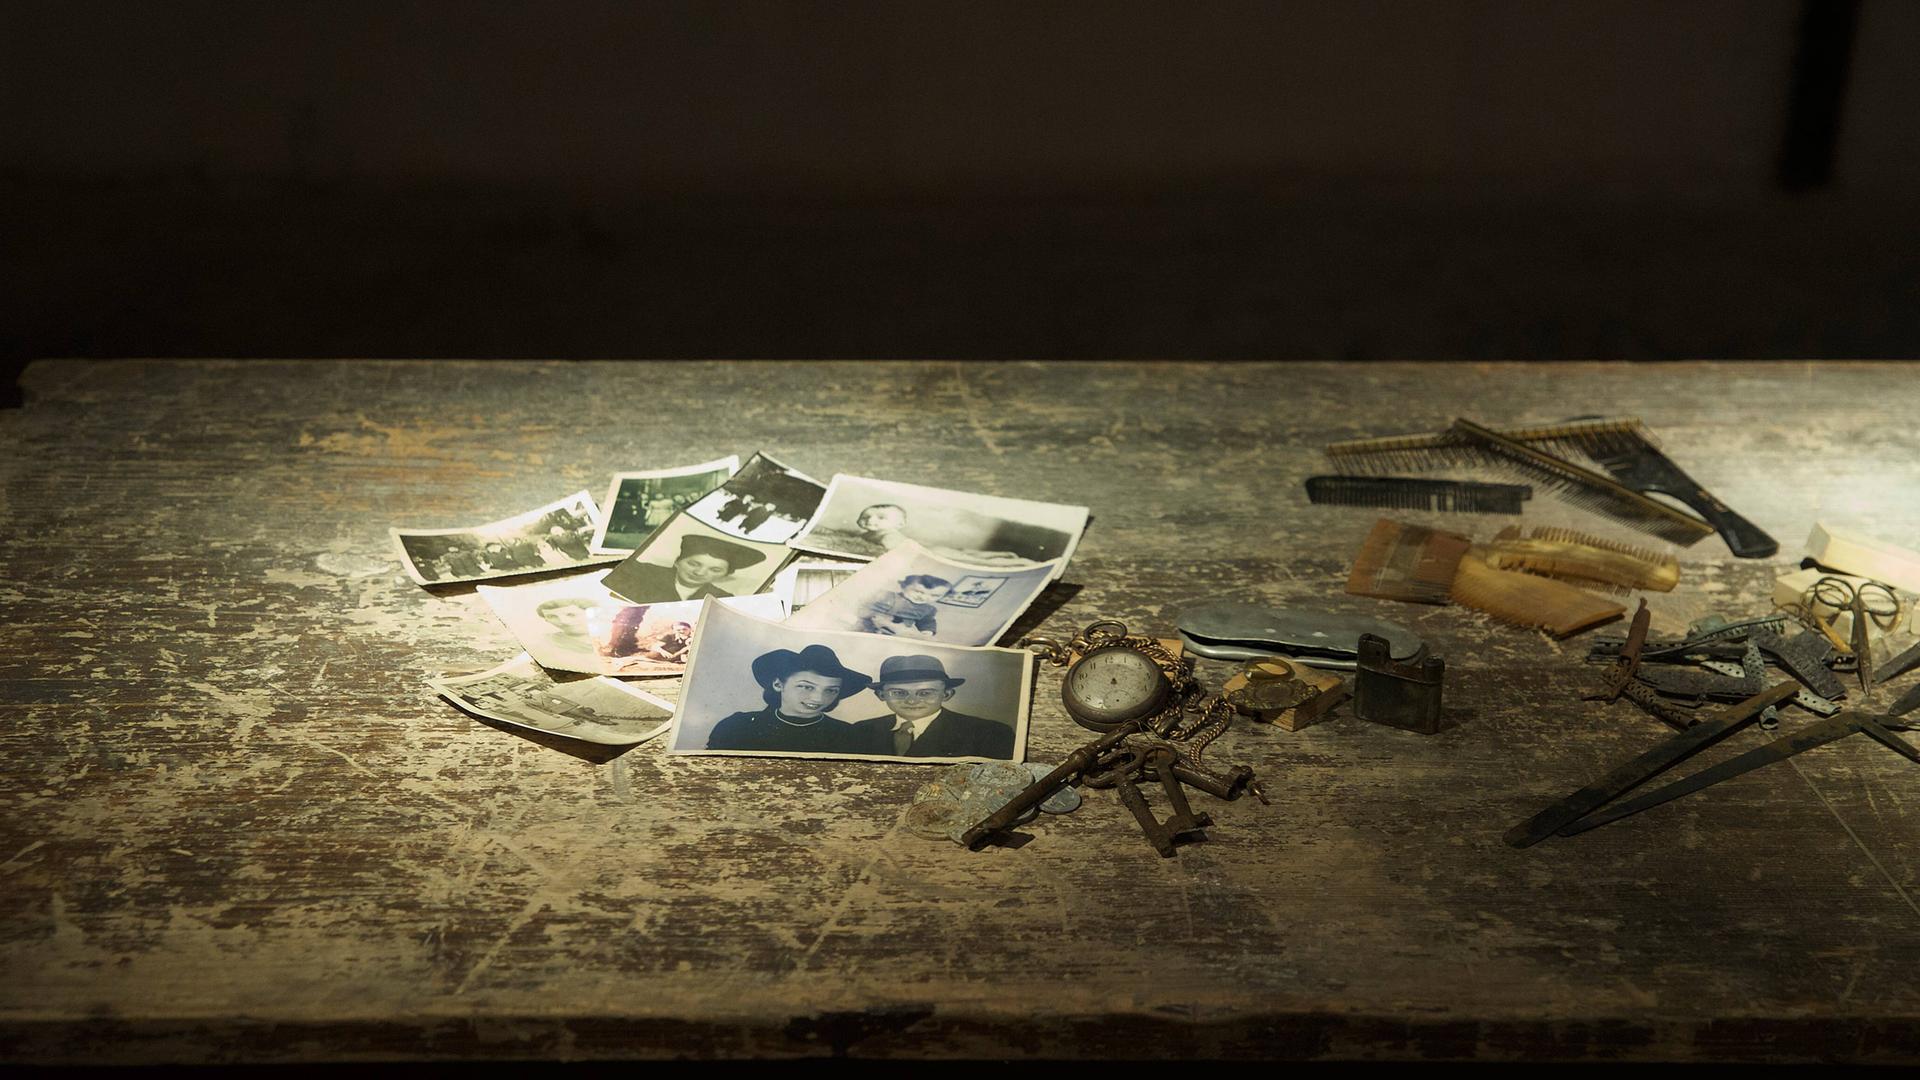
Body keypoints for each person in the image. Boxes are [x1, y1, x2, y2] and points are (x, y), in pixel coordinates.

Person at [704, 644, 874, 753]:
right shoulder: (737, 726)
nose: (818, 697)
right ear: (778, 684)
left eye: (831, 690)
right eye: (806, 686)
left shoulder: (849, 736)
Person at [853, 654, 1014, 759]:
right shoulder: (861, 730)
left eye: (925, 693)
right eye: (899, 693)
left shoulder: (989, 733)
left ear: (946, 694)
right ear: (881, 695)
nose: (911, 701)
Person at [604, 532, 768, 602]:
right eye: (693, 563)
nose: (700, 572)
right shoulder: (641, 574)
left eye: (715, 570)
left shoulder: (722, 599)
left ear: (724, 575)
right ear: (677, 561)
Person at [855, 574, 951, 637]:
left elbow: (927, 621)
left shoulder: (928, 609)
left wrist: (927, 630)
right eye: (918, 591)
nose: (924, 597)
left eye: (934, 595)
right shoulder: (888, 596)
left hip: (895, 633)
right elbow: (865, 603)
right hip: (869, 626)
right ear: (904, 586)